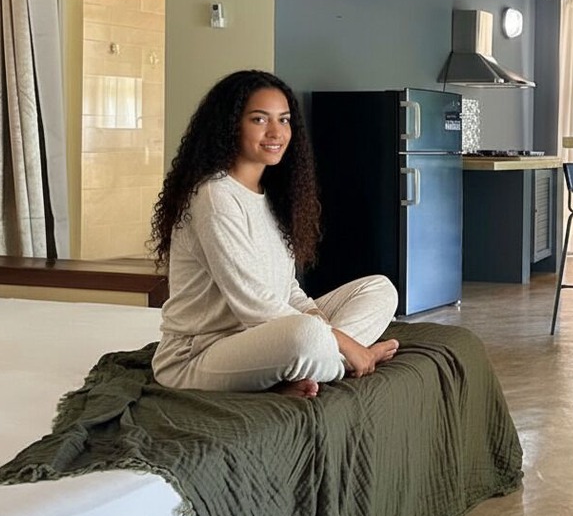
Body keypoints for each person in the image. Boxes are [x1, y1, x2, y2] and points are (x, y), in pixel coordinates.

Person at [150, 70, 400, 398]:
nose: (276, 132)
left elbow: (286, 288)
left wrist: (318, 319)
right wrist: (345, 343)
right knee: (306, 336)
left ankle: (309, 365)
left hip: (264, 340)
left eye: (284, 120)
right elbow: (253, 303)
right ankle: (337, 362)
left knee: (380, 289)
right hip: (198, 354)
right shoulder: (215, 196)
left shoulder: (272, 195)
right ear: (230, 125)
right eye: (259, 119)